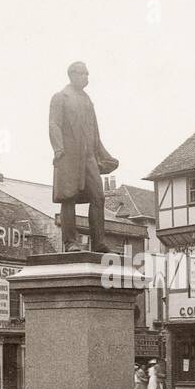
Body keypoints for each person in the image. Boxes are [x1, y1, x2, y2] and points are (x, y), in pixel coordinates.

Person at [48, 61, 120, 253]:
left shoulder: (87, 100)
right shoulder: (60, 97)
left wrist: (105, 155)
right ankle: (70, 242)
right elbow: (54, 124)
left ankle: (98, 242)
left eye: (88, 74)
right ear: (72, 74)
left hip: (89, 158)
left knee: (99, 196)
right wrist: (58, 149)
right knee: (68, 197)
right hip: (69, 156)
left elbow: (94, 133)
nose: (87, 78)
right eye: (83, 74)